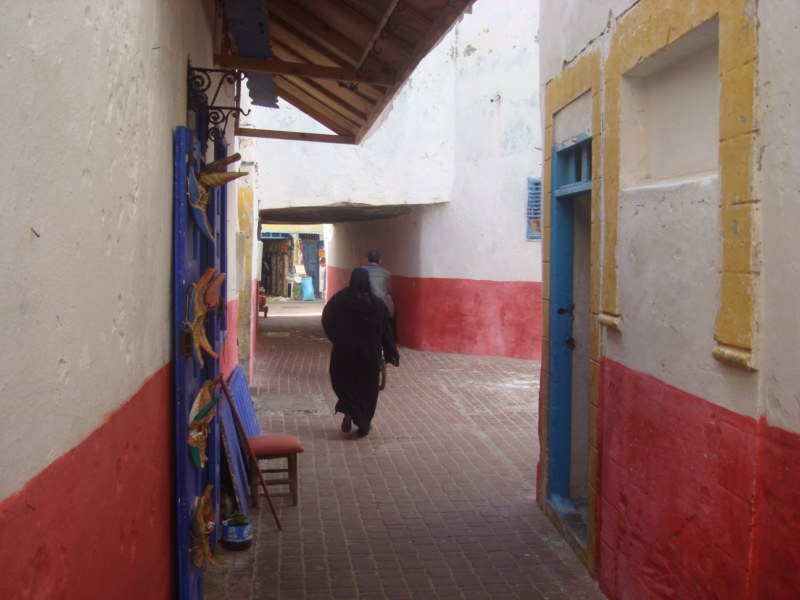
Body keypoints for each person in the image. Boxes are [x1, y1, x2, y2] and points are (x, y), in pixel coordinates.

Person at [322, 267, 399, 437]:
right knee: (367, 387)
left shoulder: (340, 300)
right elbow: (386, 327)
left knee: (346, 382)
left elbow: (326, 318)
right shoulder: (377, 305)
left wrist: (336, 337)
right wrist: (390, 350)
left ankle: (350, 409)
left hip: (344, 352)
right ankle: (364, 422)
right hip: (368, 354)